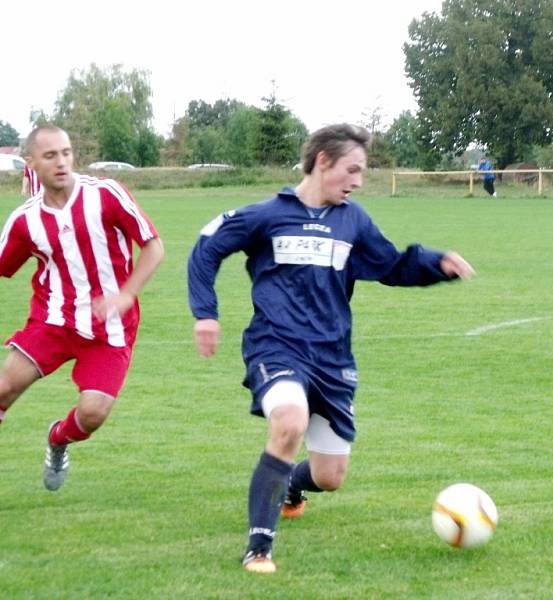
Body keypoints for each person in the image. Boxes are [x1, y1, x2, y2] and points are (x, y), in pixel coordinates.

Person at [187, 123, 475, 574]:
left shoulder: (353, 220)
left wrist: (434, 263)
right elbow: (206, 249)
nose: (358, 181)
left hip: (333, 358)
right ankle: (258, 547)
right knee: (289, 421)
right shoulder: (266, 215)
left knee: (330, 476)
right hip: (275, 346)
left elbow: (390, 264)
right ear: (323, 161)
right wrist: (205, 312)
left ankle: (291, 487)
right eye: (352, 170)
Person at [0, 125, 164, 491]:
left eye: (67, 152)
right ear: (31, 163)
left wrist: (126, 294)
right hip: (53, 322)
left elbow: (154, 247)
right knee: (3, 388)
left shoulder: (105, 195)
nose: (62, 162)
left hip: (110, 329)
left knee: (92, 415)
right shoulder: (26, 221)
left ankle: (58, 439)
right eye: (50, 155)